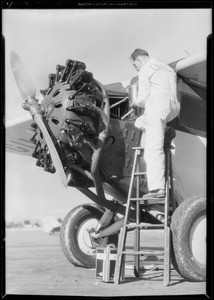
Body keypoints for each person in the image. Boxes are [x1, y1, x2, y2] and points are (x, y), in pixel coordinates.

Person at [130, 48, 180, 198]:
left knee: (152, 150)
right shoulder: (168, 68)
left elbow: (143, 97)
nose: (136, 68)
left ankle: (158, 189)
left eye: (135, 65)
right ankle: (165, 132)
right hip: (172, 108)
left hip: (158, 108)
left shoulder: (145, 69)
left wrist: (135, 102)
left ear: (139, 60)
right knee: (140, 123)